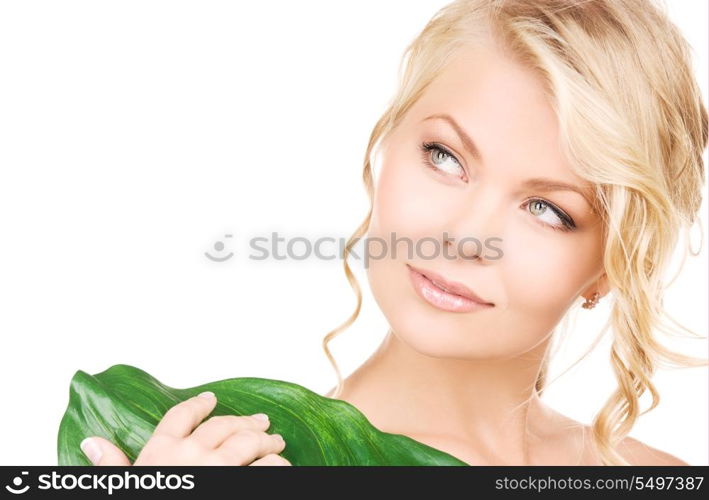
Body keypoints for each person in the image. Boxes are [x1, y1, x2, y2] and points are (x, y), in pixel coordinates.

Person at [79, 0, 708, 466]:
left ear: (610, 266)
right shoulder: (207, 459)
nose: (466, 236)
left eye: (548, 209)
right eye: (445, 157)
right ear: (386, 147)